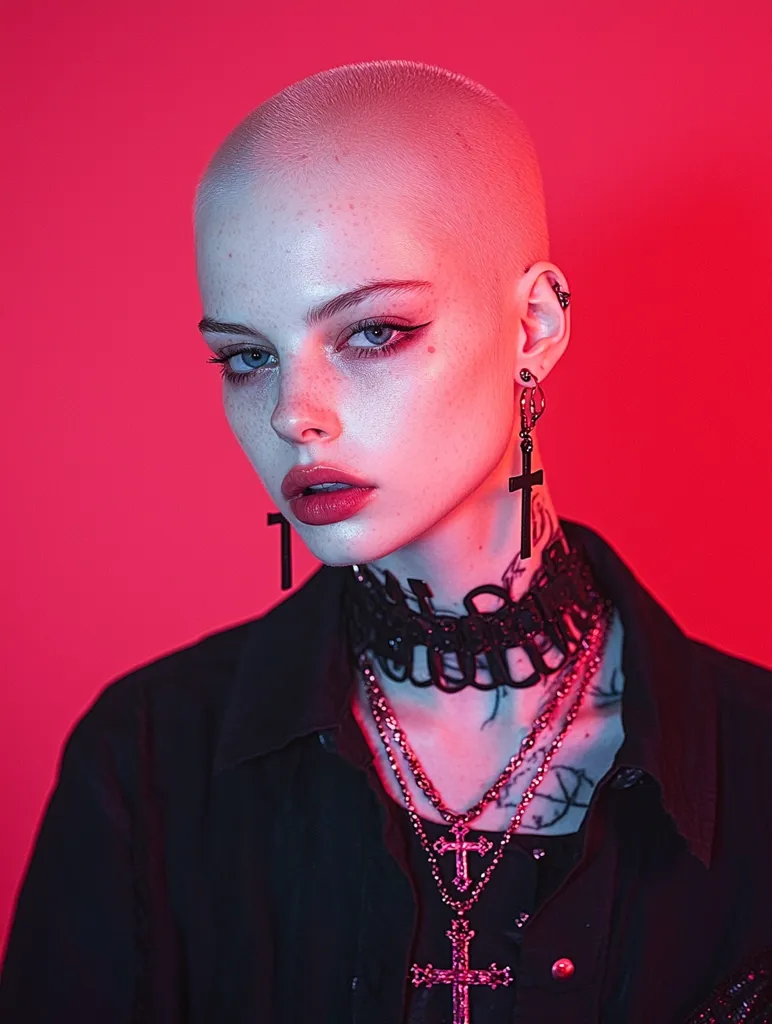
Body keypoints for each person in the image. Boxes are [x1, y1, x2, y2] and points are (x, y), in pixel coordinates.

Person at [1, 59, 771, 1024]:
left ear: (533, 324)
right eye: (248, 356)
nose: (293, 415)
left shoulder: (754, 764)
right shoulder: (148, 760)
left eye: (373, 333)